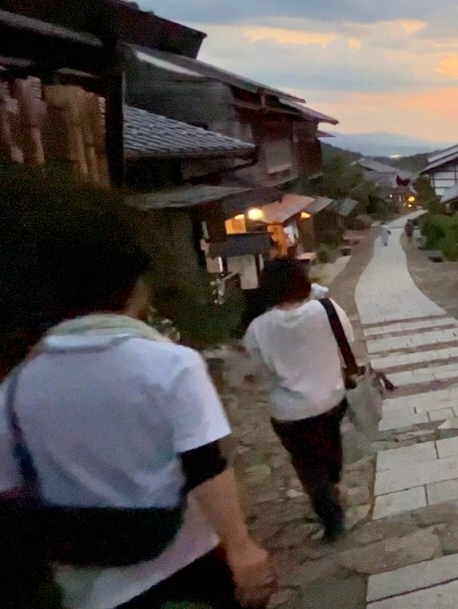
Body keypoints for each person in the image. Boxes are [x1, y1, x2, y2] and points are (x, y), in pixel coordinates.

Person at [0, 163, 275, 609]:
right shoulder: (167, 365)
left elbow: (11, 490)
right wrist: (242, 547)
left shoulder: (14, 389)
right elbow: (206, 467)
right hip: (187, 563)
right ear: (133, 287)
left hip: (90, 587)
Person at [243, 259, 353, 542]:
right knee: (330, 449)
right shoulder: (328, 309)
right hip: (331, 398)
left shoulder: (258, 329)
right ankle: (332, 488)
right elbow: (347, 344)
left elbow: (256, 373)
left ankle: (329, 514)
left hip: (289, 412)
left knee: (307, 464)